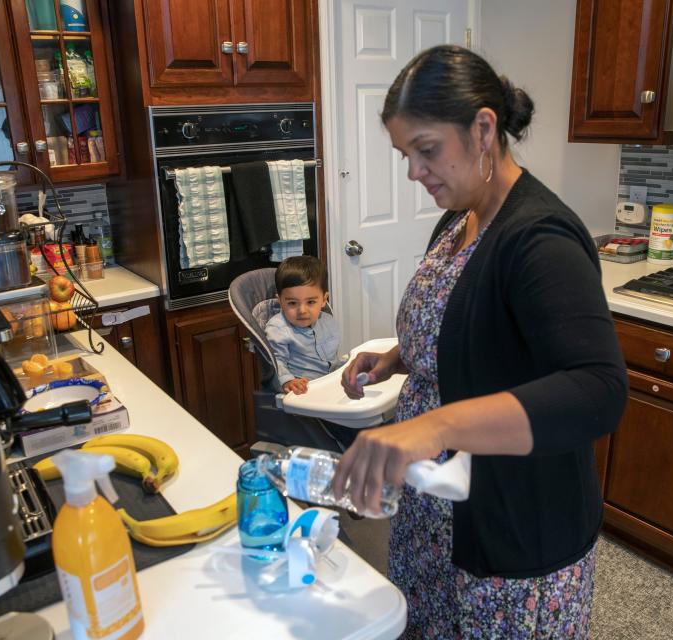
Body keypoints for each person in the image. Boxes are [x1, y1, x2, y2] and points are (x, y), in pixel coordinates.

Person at [335, 45, 628, 638]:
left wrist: (435, 427)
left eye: (426, 150)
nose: (415, 172)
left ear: (484, 129)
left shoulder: (540, 237)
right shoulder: (459, 219)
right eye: (405, 155)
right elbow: (468, 325)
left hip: (513, 524)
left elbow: (597, 390)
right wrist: (399, 358)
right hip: (438, 510)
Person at [265, 255, 341, 396]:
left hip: (329, 384)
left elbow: (332, 361)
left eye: (311, 302)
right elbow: (276, 362)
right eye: (292, 303)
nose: (302, 310)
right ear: (280, 301)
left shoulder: (328, 321)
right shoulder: (278, 329)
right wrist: (288, 381)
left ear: (324, 300)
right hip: (303, 391)